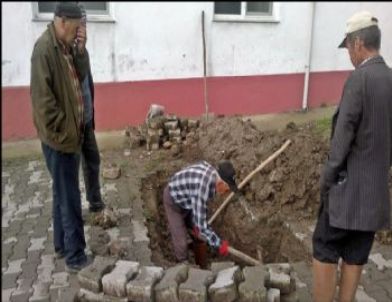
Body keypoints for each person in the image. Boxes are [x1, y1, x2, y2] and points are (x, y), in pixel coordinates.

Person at [312, 11, 392, 302]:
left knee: (324, 247)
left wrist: (327, 181)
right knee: (356, 253)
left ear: (358, 44)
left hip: (346, 195)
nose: (348, 54)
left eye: (347, 47)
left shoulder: (359, 80)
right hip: (374, 195)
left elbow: (342, 139)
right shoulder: (390, 79)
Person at [30, 2, 90, 273]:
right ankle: (76, 256)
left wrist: (80, 49)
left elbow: (82, 75)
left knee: (60, 192)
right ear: (63, 22)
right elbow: (44, 104)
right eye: (76, 28)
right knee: (70, 197)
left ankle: (61, 246)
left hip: (69, 135)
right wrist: (66, 131)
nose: (78, 32)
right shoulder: (44, 50)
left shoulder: (65, 46)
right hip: (60, 139)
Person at [163, 160, 239, 264]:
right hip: (173, 200)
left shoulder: (213, 177)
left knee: (198, 232)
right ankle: (183, 265)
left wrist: (201, 229)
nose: (227, 193)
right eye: (227, 189)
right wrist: (219, 244)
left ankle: (201, 261)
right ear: (221, 183)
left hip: (188, 200)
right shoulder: (202, 186)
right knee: (182, 242)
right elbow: (202, 226)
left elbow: (200, 214)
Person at [77, 4, 106, 213]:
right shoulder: (65, 52)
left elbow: (88, 85)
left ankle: (95, 202)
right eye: (81, 25)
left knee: (92, 160)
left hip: (86, 119)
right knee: (69, 171)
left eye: (85, 24)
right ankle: (71, 213)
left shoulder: (81, 51)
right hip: (73, 123)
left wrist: (91, 115)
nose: (84, 30)